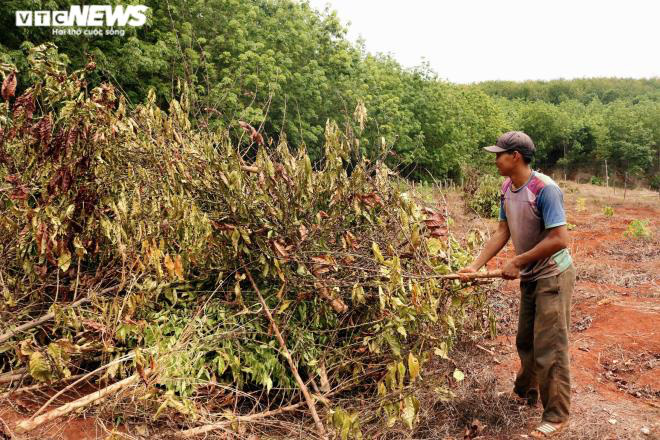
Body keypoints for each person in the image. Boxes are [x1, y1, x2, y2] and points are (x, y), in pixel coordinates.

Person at [458, 131, 576, 438]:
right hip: (531, 275)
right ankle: (526, 392)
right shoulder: (507, 187)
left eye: (499, 154)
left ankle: (557, 416)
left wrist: (519, 261)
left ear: (516, 157)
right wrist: (475, 266)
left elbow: (560, 239)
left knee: (550, 346)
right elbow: (502, 232)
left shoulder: (544, 189)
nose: (495, 159)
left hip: (554, 275)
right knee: (526, 340)